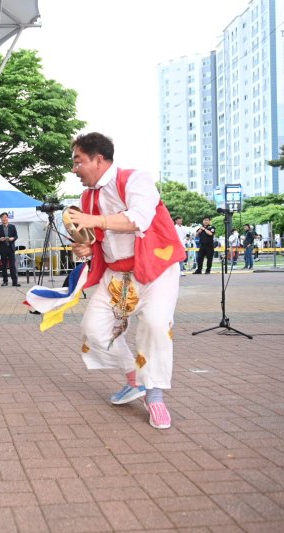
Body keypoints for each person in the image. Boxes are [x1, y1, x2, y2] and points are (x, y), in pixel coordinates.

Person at [65, 132, 184, 430]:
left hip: (155, 271)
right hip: (117, 274)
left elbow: (139, 218)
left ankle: (155, 396)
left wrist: (95, 221)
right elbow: (96, 239)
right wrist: (85, 246)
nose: (74, 169)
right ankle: (135, 380)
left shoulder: (135, 180)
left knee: (156, 325)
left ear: (99, 159)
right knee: (94, 330)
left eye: (78, 161)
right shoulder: (87, 197)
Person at [0, 212, 20, 286]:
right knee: (4, 266)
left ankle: (14, 282)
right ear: (1, 219)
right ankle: (5, 281)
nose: (4, 219)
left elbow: (16, 236)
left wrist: (13, 238)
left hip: (11, 248)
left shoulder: (12, 226)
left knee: (12, 265)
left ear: (7, 218)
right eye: (2, 217)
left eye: (5, 217)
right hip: (2, 248)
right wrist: (0, 239)